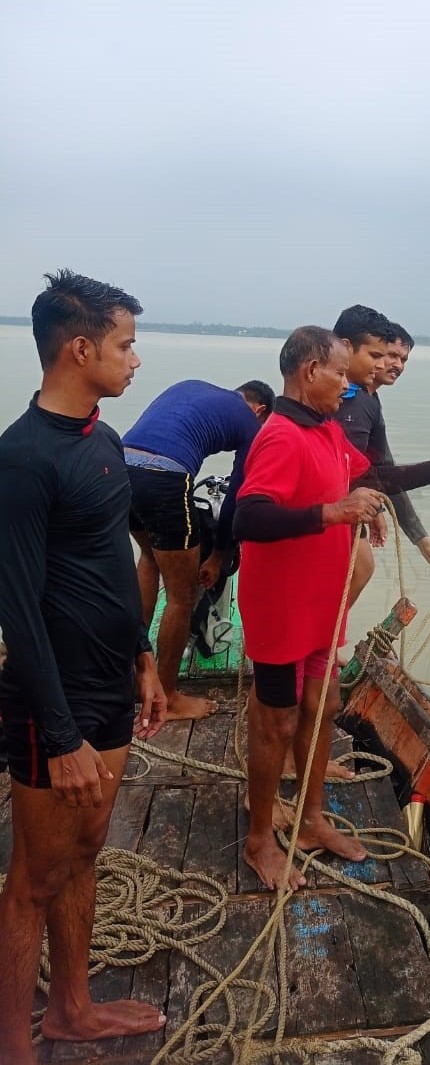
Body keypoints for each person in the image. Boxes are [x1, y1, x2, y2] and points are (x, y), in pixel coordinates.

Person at [233, 325, 430, 890]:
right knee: (276, 721)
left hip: (323, 604)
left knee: (323, 704)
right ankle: (259, 840)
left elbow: (376, 476)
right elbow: (249, 516)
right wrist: (333, 513)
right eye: (340, 374)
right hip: (280, 608)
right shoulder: (279, 436)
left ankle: (314, 818)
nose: (348, 387)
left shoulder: (324, 430)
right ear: (308, 371)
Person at [0, 270, 167, 1062]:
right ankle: (12, 1043)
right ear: (79, 347)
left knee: (87, 851)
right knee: (34, 875)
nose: (137, 358)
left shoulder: (102, 439)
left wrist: (144, 657)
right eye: (125, 344)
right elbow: (18, 609)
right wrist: (59, 735)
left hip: (110, 686)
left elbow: (109, 561)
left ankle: (71, 1006)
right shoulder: (23, 460)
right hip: (52, 703)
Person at [123, 378, 275, 720]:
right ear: (260, 410)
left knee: (149, 557)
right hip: (165, 475)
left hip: (120, 463)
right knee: (182, 594)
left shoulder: (194, 387)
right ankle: (168, 697)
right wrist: (219, 555)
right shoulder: (252, 423)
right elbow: (237, 494)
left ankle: (135, 673)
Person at [349, 319, 430, 585]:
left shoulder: (369, 400)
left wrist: (423, 543)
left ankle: (330, 627)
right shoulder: (354, 401)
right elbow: (359, 473)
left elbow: (384, 470)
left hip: (347, 507)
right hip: (328, 511)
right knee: (360, 568)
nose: (397, 365)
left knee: (362, 568)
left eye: (404, 359)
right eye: (389, 355)